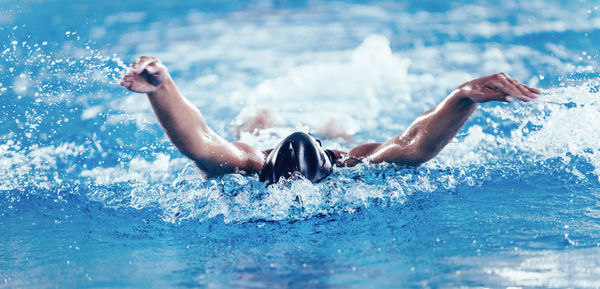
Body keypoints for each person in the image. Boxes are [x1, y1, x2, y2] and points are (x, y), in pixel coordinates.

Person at [120, 56, 540, 185]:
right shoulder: (250, 160)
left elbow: (198, 140)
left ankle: (308, 125)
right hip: (274, 145)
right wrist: (463, 96)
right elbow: (415, 147)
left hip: (299, 147)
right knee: (257, 119)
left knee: (265, 117)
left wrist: (164, 87)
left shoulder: (345, 160)